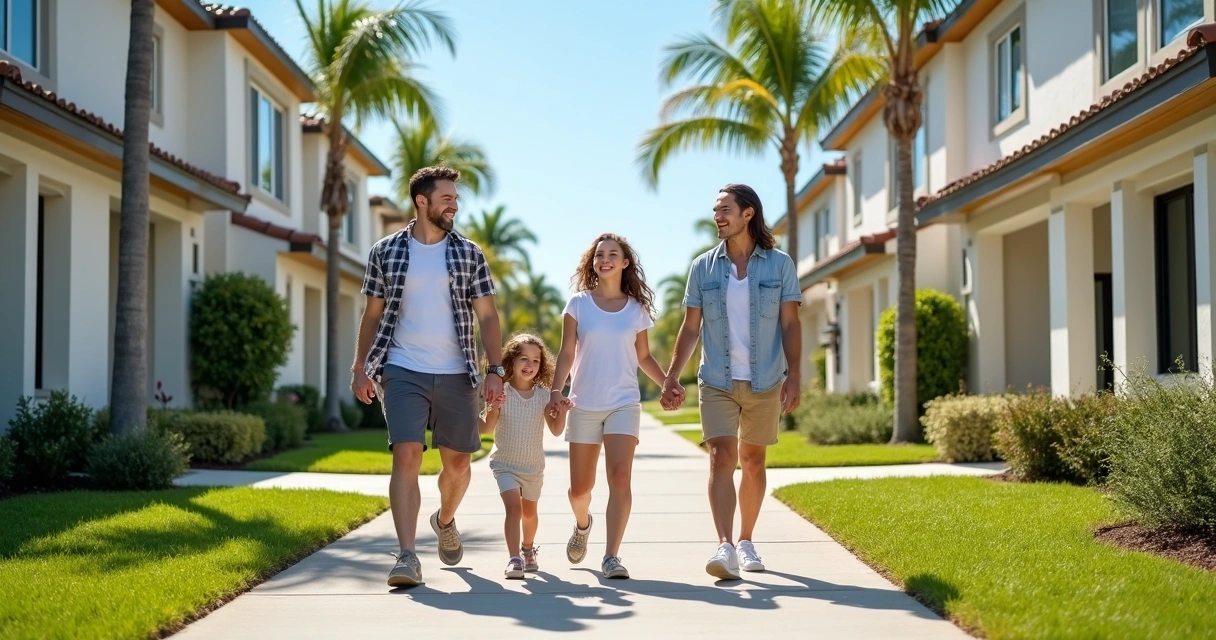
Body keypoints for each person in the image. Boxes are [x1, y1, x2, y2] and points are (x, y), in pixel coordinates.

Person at [351, 165, 504, 588]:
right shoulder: (386, 250)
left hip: (458, 372)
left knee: (457, 464)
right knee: (407, 455)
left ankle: (445, 519)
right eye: (447, 198)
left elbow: (488, 315)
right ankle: (406, 556)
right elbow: (373, 314)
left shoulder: (469, 253)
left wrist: (496, 370)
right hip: (402, 368)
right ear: (422, 201)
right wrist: (360, 366)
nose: (454, 205)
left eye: (456, 198)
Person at [661, 184, 803, 581]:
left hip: (766, 379)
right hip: (718, 379)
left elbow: (791, 323)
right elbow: (691, 329)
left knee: (754, 461)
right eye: (715, 210)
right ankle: (724, 545)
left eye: (725, 209)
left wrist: (795, 376)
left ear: (748, 214)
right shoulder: (703, 267)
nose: (717, 217)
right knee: (721, 457)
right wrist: (672, 375)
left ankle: (745, 540)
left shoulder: (779, 265)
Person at [546, 233, 667, 579]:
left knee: (620, 476)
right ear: (593, 262)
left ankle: (612, 556)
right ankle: (583, 524)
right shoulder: (578, 304)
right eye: (599, 254)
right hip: (583, 403)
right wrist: (557, 390)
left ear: (625, 263)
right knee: (580, 489)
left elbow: (643, 356)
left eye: (613, 254)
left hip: (623, 403)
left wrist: (668, 383)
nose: (605, 259)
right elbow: (567, 352)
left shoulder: (636, 309)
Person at [478, 333, 569, 579]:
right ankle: (514, 559)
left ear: (542, 366)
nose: (529, 365)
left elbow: (557, 430)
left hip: (533, 468)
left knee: (529, 513)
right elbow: (485, 428)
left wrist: (560, 411)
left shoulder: (543, 395)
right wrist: (493, 406)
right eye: (523, 359)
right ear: (511, 361)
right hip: (505, 464)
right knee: (514, 510)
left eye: (536, 361)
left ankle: (528, 550)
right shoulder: (502, 391)